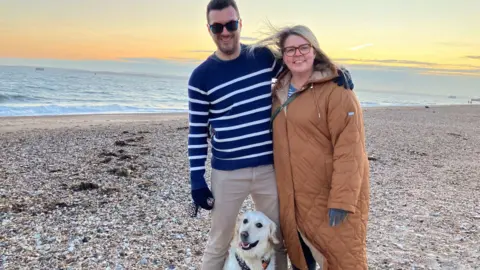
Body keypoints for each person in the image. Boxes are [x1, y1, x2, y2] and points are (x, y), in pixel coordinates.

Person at [186, 1, 354, 269]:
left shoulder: (261, 57)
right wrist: (196, 178)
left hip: (269, 170)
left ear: (240, 23)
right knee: (218, 242)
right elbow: (197, 132)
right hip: (227, 174)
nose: (225, 32)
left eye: (230, 24)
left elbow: (298, 68)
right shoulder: (200, 77)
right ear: (209, 29)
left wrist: (333, 72)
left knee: (281, 239)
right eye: (217, 26)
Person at [252, 25, 371, 270]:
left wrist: (342, 200)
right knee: (301, 259)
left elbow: (351, 149)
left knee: (341, 258)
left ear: (315, 50)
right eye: (290, 50)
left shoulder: (338, 91)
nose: (298, 54)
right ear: (283, 56)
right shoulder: (278, 92)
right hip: (292, 197)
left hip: (328, 195)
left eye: (304, 47)